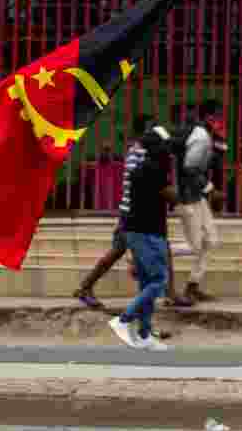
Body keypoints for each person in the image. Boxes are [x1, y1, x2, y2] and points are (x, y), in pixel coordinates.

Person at [74, 114, 192, 309]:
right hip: (136, 214)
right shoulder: (141, 154)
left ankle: (170, 293)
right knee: (119, 251)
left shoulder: (146, 153)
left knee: (133, 250)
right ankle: (86, 287)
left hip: (141, 213)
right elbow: (149, 183)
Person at [109, 124, 177, 352]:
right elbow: (171, 196)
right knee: (159, 281)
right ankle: (124, 319)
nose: (168, 151)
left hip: (136, 230)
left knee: (147, 283)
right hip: (148, 232)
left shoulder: (142, 167)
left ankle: (144, 334)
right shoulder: (154, 169)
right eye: (166, 146)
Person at [174, 100, 225, 303]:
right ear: (208, 117)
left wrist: (220, 144)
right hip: (188, 197)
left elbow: (211, 165)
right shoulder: (200, 136)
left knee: (210, 240)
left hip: (198, 196)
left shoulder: (208, 137)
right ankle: (144, 254)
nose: (220, 121)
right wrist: (211, 190)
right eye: (217, 116)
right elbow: (190, 168)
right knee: (193, 246)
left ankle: (192, 286)